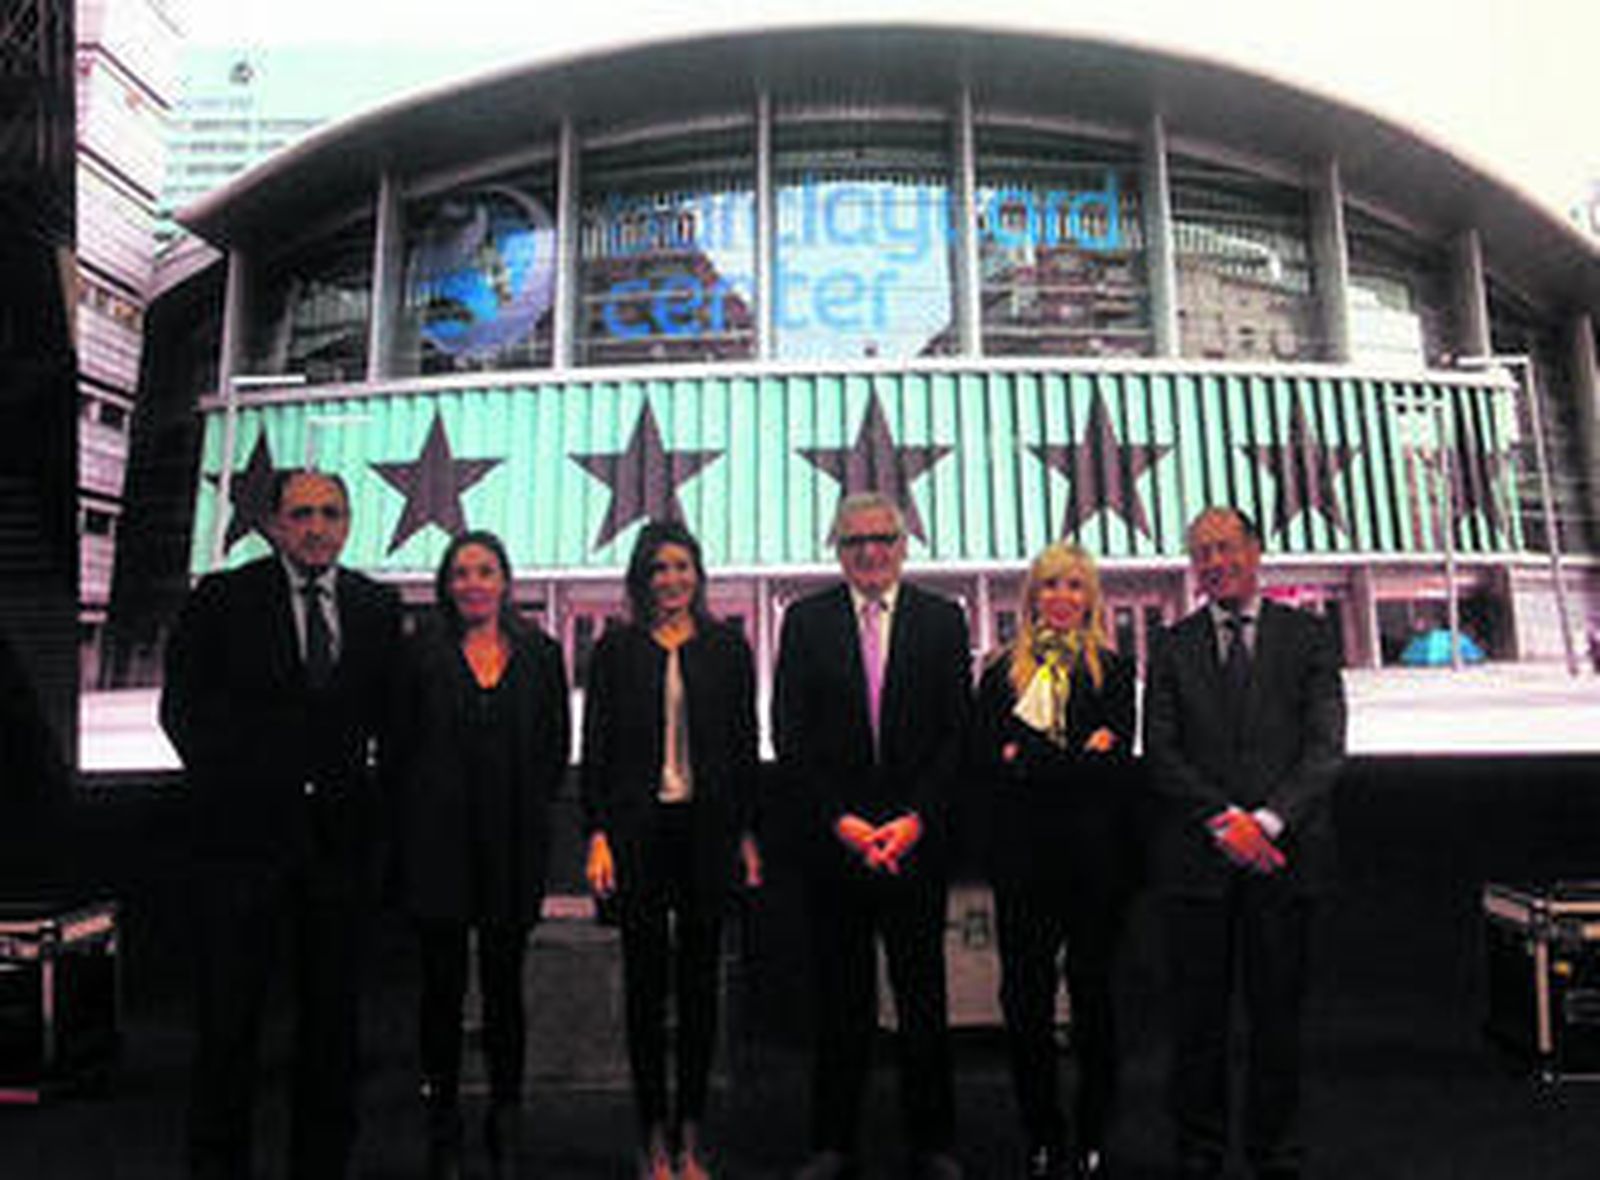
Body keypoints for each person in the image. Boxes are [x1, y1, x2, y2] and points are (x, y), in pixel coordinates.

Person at [160, 469, 402, 1180]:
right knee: (229, 1031)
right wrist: (240, 792)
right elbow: (183, 713)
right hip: (241, 853)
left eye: (331, 513)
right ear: (274, 525)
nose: (317, 526)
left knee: (331, 1034)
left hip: (336, 857)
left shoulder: (374, 607)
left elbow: (395, 726)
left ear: (349, 523)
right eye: (302, 514)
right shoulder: (222, 600)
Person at [1142, 507, 1346, 1180]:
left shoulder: (1310, 637)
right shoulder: (1170, 644)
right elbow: (1163, 755)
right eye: (1201, 552)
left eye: (1226, 547)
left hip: (1286, 860)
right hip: (1195, 864)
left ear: (1256, 552)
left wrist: (1269, 823)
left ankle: (1274, 1151)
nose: (1215, 562)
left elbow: (1325, 748)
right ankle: (1199, 1150)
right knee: (1196, 1022)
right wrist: (1225, 820)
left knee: (1277, 1020)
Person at [773, 491, 972, 1180]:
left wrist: (915, 820)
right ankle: (832, 1143)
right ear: (837, 548)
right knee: (840, 1004)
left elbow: (957, 737)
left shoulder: (944, 621)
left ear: (903, 544)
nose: (870, 551)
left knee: (924, 1002)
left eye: (882, 538)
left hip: (916, 844)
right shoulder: (803, 622)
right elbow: (791, 737)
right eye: (855, 540)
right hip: (839, 847)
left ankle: (933, 1142)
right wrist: (845, 824)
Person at [582, 519, 762, 1180]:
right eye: (658, 569)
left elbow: (743, 748)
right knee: (645, 989)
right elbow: (596, 749)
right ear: (641, 577)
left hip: (708, 833)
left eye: (682, 567)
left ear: (699, 574)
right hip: (637, 835)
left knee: (698, 989)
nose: (671, 580)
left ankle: (691, 1131)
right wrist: (597, 833)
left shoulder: (727, 649)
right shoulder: (616, 651)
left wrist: (747, 834)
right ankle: (650, 1131)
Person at [391, 530, 570, 1180]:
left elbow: (553, 752)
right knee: (440, 993)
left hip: (512, 852)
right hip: (436, 851)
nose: (472, 582)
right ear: (445, 583)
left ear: (505, 581)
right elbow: (399, 753)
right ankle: (443, 1123)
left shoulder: (543, 655)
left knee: (504, 992)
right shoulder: (417, 657)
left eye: (485, 570)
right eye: (461, 572)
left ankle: (506, 1117)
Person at [971, 543, 1138, 1179]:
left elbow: (1115, 770)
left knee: (1096, 1003)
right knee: (1027, 1006)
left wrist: (1030, 760)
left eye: (1073, 585)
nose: (1061, 597)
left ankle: (1093, 1133)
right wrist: (1077, 759)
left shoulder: (1115, 674)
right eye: (1049, 586)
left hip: (1098, 870)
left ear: (1090, 596)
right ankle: (1041, 1133)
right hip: (1023, 867)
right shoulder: (997, 675)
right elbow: (989, 765)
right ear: (1031, 596)